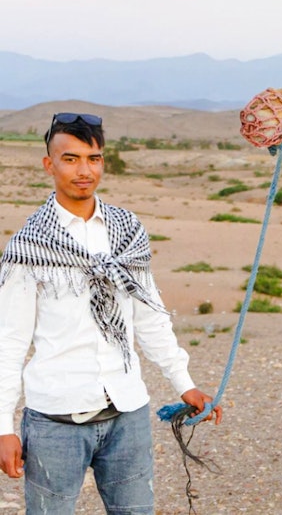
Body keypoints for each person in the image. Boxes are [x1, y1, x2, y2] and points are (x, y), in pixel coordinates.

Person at [0, 112, 222, 514]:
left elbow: (150, 315)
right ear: (49, 165)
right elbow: (8, 343)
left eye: (94, 158)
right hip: (55, 420)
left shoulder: (126, 231)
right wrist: (2, 428)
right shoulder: (29, 247)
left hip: (127, 414)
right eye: (71, 159)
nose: (84, 170)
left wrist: (183, 383)